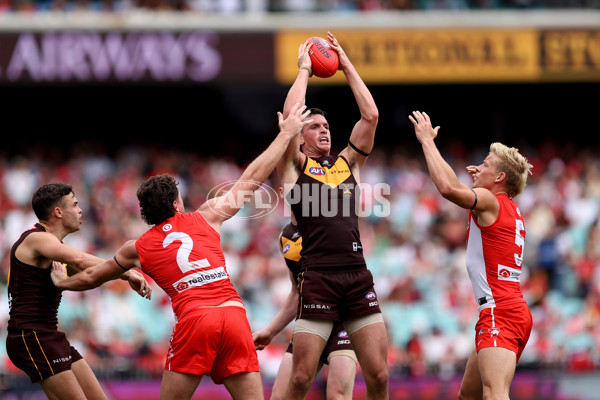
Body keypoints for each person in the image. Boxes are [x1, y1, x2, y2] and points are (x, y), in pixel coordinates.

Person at [50, 103, 312, 400]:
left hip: (195, 320)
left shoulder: (136, 248)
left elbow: (92, 277)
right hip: (233, 315)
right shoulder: (207, 216)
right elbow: (251, 178)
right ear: (176, 204)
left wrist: (63, 282)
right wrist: (285, 134)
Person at [276, 31, 389, 400]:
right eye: (315, 127)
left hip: (357, 275)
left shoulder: (346, 164)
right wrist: (305, 70)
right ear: (301, 137)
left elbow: (370, 115)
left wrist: (345, 64)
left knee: (380, 375)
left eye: (326, 126)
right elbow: (290, 118)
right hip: (320, 276)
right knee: (299, 379)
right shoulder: (294, 167)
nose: (324, 130)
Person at [409, 110, 533, 400]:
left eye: (486, 165)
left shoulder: (490, 201)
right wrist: (482, 183)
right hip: (508, 309)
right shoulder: (510, 208)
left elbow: (448, 188)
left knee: (493, 394)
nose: (477, 167)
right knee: (469, 395)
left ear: (500, 177)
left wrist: (427, 141)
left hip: (499, 310)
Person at [5, 182, 152, 400]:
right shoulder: (37, 238)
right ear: (58, 212)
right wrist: (128, 272)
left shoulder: (54, 246)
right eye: (74, 204)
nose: (80, 209)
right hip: (31, 336)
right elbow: (81, 261)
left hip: (49, 336)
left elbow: (95, 271)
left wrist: (124, 274)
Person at [253, 214, 358, 400]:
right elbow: (297, 292)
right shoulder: (285, 237)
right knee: (280, 397)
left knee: (338, 396)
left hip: (342, 322)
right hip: (310, 321)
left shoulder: (335, 223)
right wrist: (270, 331)